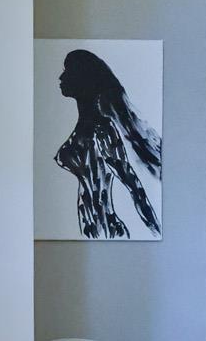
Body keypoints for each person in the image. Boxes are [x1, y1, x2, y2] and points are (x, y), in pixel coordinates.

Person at [54, 48, 162, 237]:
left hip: (104, 231)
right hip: (93, 229)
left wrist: (157, 230)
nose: (61, 77)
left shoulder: (102, 131)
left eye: (68, 70)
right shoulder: (86, 128)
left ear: (84, 79)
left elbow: (134, 186)